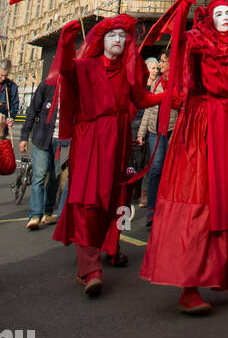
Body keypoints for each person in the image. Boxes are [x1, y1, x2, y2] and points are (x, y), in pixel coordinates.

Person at [140, 0, 228, 314]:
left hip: (227, 127)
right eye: (219, 14)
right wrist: (182, 5)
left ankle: (213, 274)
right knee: (196, 201)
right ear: (210, 18)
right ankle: (188, 285)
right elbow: (178, 45)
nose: (226, 19)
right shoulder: (197, 42)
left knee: (222, 201)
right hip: (200, 124)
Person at [51, 16, 163, 296]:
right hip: (91, 140)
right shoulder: (86, 65)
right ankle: (89, 269)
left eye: (122, 36)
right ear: (101, 40)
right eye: (112, 35)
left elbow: (141, 99)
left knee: (111, 200)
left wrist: (170, 95)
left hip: (118, 139)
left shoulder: (127, 71)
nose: (117, 40)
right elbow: (65, 69)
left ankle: (104, 250)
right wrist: (66, 42)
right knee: (88, 200)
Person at [136, 50, 178, 230]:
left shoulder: (178, 83)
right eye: (160, 61)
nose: (161, 65)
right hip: (155, 131)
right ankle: (152, 208)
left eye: (163, 61)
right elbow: (149, 108)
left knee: (170, 170)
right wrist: (141, 132)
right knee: (155, 168)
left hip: (171, 130)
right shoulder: (156, 83)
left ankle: (168, 208)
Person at [19, 81, 60, 229]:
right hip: (42, 138)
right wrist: (24, 137)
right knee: (39, 177)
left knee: (55, 178)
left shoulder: (75, 86)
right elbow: (32, 111)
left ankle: (47, 213)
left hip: (62, 140)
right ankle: (35, 215)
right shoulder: (46, 86)